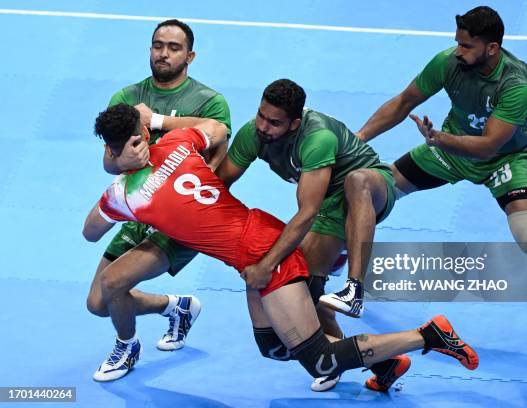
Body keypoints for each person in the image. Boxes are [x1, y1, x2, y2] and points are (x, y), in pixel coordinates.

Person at [83, 103, 479, 390]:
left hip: (264, 257)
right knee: (273, 348)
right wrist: (158, 122)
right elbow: (217, 129)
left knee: (320, 359)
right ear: (144, 134)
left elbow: (90, 232)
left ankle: (429, 335)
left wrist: (115, 166)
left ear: (112, 147)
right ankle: (387, 360)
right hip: (257, 240)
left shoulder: (124, 195)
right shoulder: (180, 143)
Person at [356, 6, 527, 350]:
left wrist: (439, 139)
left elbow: (488, 146)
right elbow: (404, 101)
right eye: (457, 43)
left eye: (466, 46)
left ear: (492, 48)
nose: (457, 51)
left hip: (502, 159)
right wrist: (357, 139)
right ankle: (351, 271)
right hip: (449, 150)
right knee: (370, 191)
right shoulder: (448, 63)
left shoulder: (517, 83)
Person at [216, 79, 397, 390]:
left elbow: (307, 211)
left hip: (369, 188)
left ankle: (355, 289)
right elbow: (220, 185)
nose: (263, 126)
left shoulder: (317, 138)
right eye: (261, 115)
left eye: (274, 122)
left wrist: (266, 264)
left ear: (295, 123)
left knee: (356, 180)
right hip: (328, 203)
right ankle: (382, 363)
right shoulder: (253, 133)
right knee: (307, 297)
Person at [86, 19, 232, 381]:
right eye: (157, 45)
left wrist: (159, 121)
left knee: (115, 283)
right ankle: (176, 306)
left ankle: (127, 346)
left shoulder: (210, 101)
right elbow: (109, 160)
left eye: (173, 47)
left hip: (185, 217)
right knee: (98, 303)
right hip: (139, 208)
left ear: (190, 56)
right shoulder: (125, 97)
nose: (163, 53)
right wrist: (123, 162)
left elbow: (218, 139)